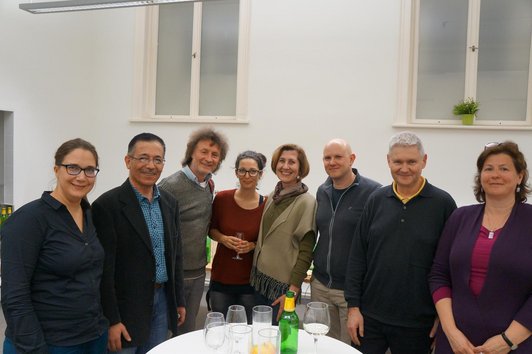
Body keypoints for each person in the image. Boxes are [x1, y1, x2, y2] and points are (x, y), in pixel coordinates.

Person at [345, 131, 457, 354]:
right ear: (388, 161)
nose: (404, 168)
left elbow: (450, 265)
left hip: (419, 323)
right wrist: (353, 307)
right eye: (398, 161)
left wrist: (442, 316)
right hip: (370, 318)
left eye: (412, 162)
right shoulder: (376, 199)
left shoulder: (443, 204)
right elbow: (358, 254)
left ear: (424, 161)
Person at [1, 138, 108, 353]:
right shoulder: (29, 219)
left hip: (92, 336)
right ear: (56, 169)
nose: (81, 177)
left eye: (89, 170)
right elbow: (14, 295)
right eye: (73, 168)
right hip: (48, 343)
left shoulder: (89, 214)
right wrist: (35, 348)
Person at [429, 141, 532, 353]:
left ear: (520, 176)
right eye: (488, 169)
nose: (495, 175)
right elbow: (439, 275)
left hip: (515, 344)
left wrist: (507, 341)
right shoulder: (460, 217)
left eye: (504, 169)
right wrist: (450, 332)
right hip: (457, 343)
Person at [92, 133, 185, 353]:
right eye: (143, 158)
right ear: (128, 161)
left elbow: (176, 256)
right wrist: (112, 320)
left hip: (162, 301)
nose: (151, 165)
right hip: (126, 308)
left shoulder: (170, 203)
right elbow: (104, 271)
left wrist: (178, 300)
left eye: (158, 159)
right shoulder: (107, 206)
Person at [158, 127, 228, 334]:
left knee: (188, 331)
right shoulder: (169, 187)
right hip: (173, 275)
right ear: (191, 153)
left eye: (215, 154)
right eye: (204, 152)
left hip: (197, 273)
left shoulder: (208, 185)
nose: (209, 158)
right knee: (166, 334)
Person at [311, 138, 381, 344]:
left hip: (351, 292)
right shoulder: (322, 191)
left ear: (351, 159)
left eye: (338, 157)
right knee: (322, 345)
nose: (332, 162)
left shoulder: (373, 193)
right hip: (320, 285)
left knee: (348, 347)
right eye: (327, 158)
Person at [251, 143, 317, 323]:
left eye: (292, 162)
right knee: (259, 338)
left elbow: (306, 251)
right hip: (259, 281)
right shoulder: (274, 194)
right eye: (281, 161)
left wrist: (292, 292)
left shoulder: (307, 202)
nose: (285, 166)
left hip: (281, 290)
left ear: (300, 168)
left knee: (277, 342)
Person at [208, 150, 268, 323]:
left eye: (252, 171)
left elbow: (268, 241)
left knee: (246, 329)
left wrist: (253, 245)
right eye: (242, 170)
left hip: (250, 282)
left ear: (260, 174)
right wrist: (223, 239)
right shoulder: (222, 198)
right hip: (222, 277)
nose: (247, 175)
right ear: (236, 172)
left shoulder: (266, 204)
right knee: (219, 327)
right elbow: (211, 229)